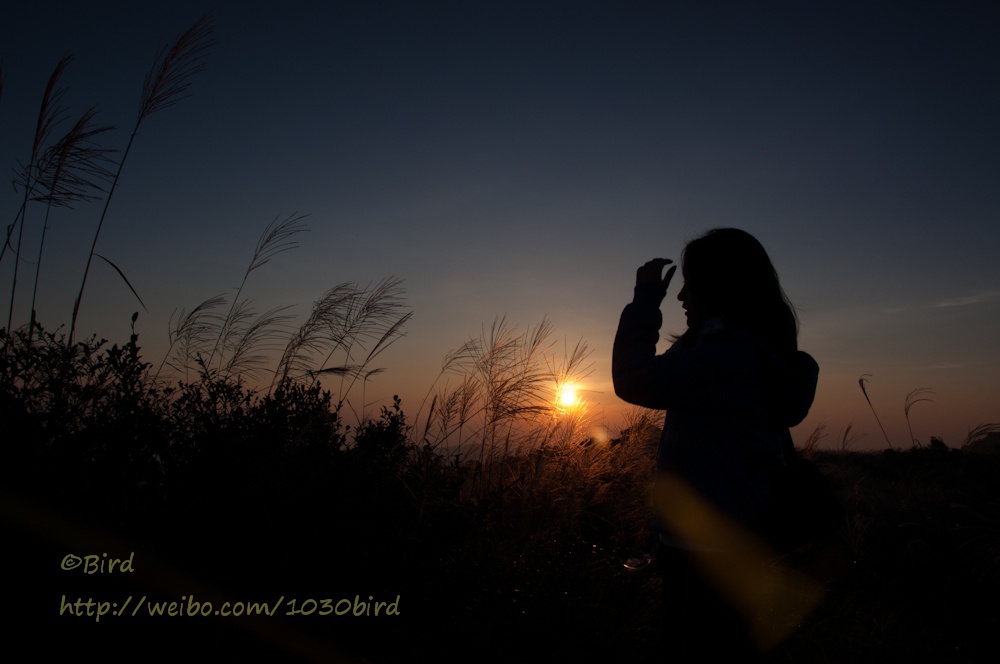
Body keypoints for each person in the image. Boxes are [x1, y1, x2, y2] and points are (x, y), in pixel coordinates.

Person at [612, 227, 819, 660]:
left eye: (692, 284)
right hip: (725, 541)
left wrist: (647, 298)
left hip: (712, 552)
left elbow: (632, 380)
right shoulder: (736, 351)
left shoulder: (728, 356)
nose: (682, 297)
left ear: (722, 286)